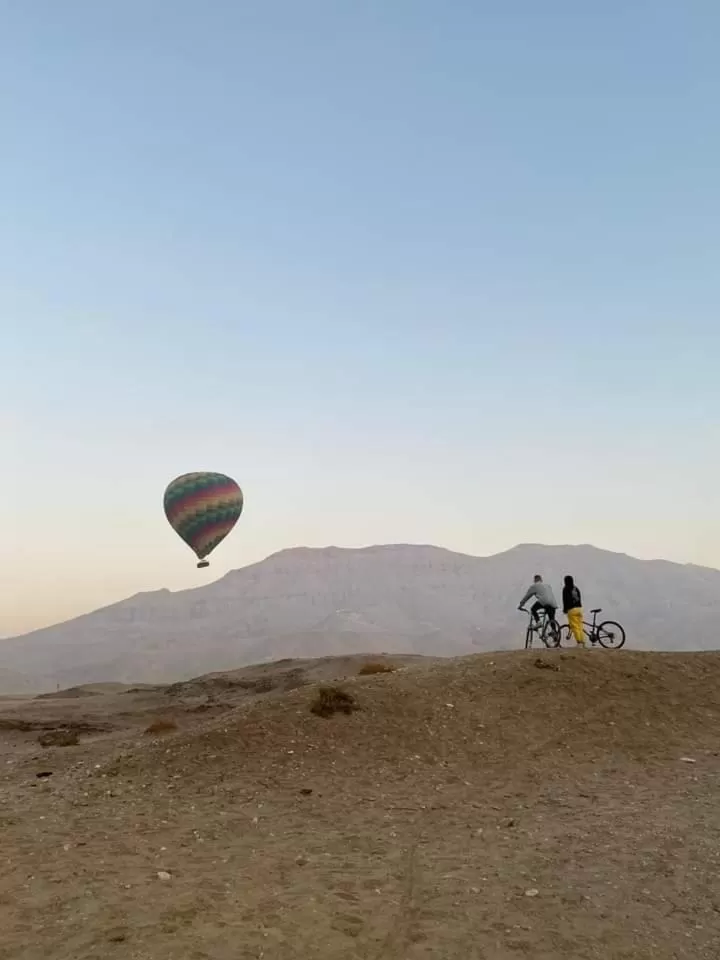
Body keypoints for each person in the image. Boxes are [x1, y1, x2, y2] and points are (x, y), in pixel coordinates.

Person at [563, 575, 586, 647]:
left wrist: (565, 609)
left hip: (571, 610)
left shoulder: (565, 589)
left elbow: (565, 600)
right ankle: (583, 641)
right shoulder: (576, 588)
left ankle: (579, 642)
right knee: (580, 626)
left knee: (574, 626)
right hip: (579, 609)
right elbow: (579, 598)